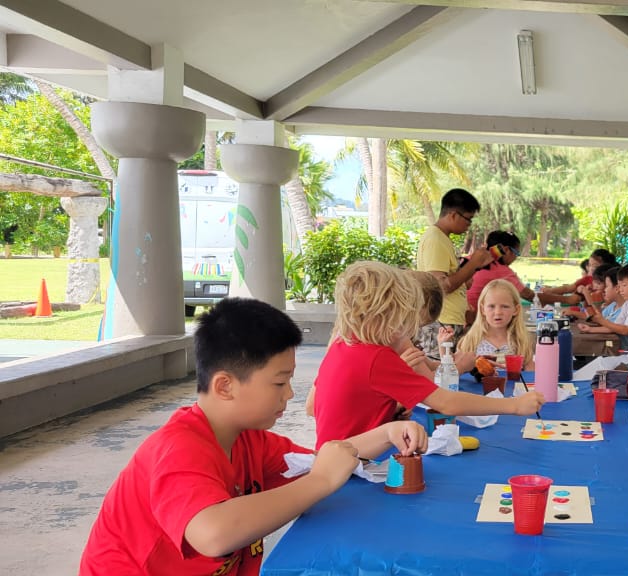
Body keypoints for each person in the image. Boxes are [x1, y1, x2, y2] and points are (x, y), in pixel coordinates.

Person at [79, 298, 430, 575]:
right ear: (225, 386)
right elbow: (213, 534)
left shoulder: (249, 439)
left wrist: (388, 432)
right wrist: (321, 481)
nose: (290, 394)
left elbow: (321, 460)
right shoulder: (178, 449)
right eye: (279, 382)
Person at [309, 261, 544, 445]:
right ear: (388, 319)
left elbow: (321, 408)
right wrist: (514, 405)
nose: (408, 333)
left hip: (333, 457)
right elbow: (447, 403)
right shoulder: (378, 358)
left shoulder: (342, 342)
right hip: (350, 464)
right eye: (405, 322)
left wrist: (389, 414)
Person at [416, 188, 493, 359]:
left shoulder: (442, 238)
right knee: (441, 374)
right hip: (441, 322)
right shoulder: (435, 239)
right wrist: (473, 263)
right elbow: (441, 286)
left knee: (450, 372)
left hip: (449, 320)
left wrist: (466, 277)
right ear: (453, 214)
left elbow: (448, 279)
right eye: (468, 219)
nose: (469, 225)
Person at [454, 279, 535, 374]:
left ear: (516, 310)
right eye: (491, 306)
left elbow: (531, 375)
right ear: (482, 309)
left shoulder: (521, 341)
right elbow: (454, 369)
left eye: (505, 306)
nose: (498, 312)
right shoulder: (471, 340)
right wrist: (443, 346)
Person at [577, 262, 628, 350]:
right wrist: (589, 329)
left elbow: (626, 330)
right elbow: (614, 327)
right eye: (619, 286)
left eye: (624, 285)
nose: (620, 290)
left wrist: (601, 320)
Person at [466, 231, 536, 311]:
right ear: (506, 250)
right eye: (516, 253)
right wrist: (553, 297)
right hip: (473, 317)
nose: (515, 258)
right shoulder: (500, 270)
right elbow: (529, 295)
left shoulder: (470, 258)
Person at [539, 248, 617, 306]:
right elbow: (568, 288)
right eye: (590, 265)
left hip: (594, 311)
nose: (591, 268)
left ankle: (542, 297)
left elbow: (596, 309)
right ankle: (543, 296)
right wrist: (551, 290)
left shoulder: (607, 286)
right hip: (588, 309)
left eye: (595, 266)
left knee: (574, 298)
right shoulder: (588, 279)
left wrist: (586, 293)